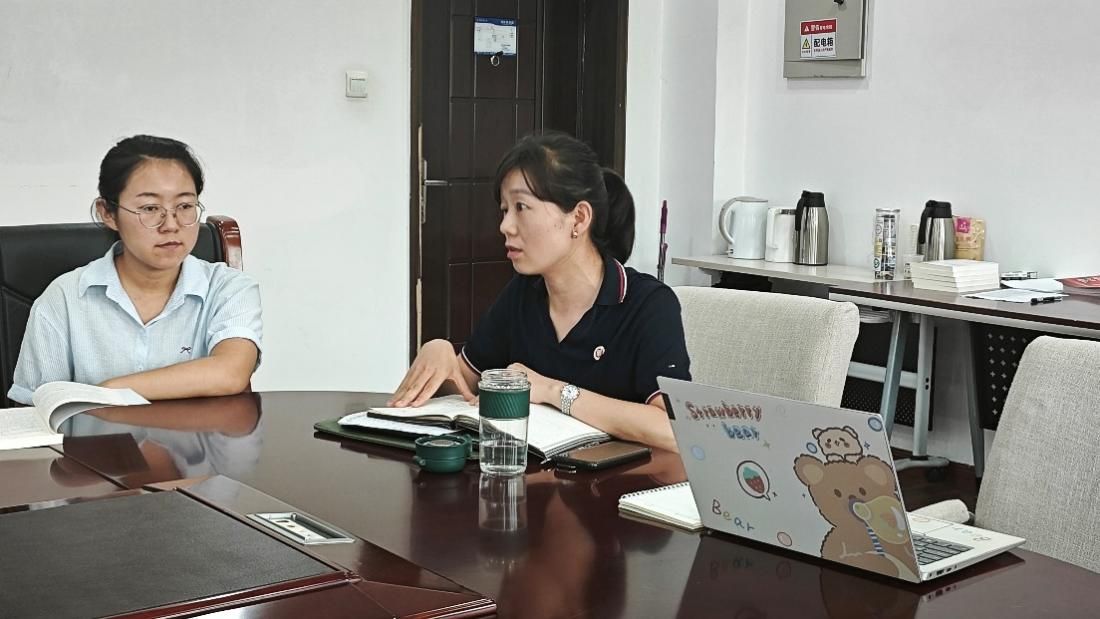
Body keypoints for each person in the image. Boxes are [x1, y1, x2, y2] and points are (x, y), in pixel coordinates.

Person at [390, 132, 690, 452]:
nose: (505, 226)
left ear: (578, 218)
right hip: (530, 477)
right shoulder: (522, 294)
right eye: (505, 210)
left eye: (521, 207)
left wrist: (552, 391)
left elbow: (675, 429)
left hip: (621, 481)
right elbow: (463, 390)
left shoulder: (648, 304)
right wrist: (439, 354)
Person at [7, 135, 262, 405]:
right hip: (92, 435)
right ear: (108, 213)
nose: (171, 225)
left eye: (185, 206)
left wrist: (106, 391)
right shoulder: (64, 298)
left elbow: (230, 373)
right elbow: (37, 407)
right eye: (150, 208)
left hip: (201, 435)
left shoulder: (228, 288)